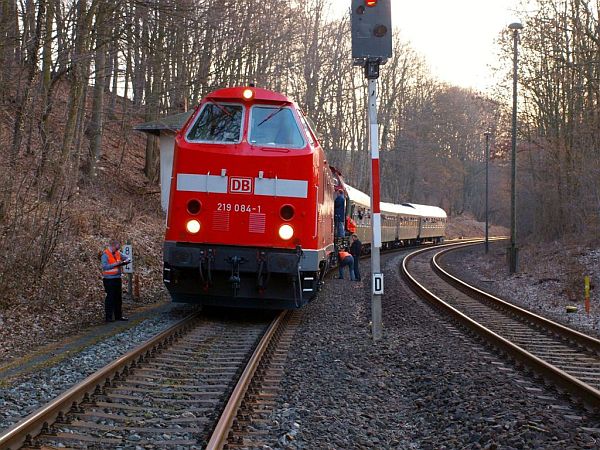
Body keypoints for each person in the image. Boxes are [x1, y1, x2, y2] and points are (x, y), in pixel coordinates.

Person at [101, 239, 130, 322]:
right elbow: (105, 267)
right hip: (109, 280)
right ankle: (108, 317)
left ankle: (118, 316)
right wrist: (116, 264)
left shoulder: (118, 253)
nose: (117, 250)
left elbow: (126, 257)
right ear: (112, 246)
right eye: (116, 248)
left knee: (118, 298)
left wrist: (126, 261)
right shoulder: (105, 254)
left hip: (117, 278)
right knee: (110, 298)